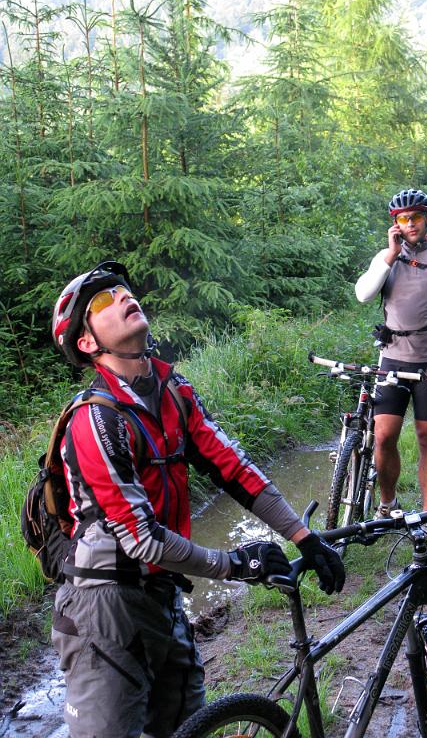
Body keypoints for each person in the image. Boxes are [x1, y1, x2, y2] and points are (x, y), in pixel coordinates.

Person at [50, 260, 345, 738]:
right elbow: (141, 538)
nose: (125, 297)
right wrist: (236, 564)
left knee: (186, 723)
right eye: (104, 301)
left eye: (124, 290)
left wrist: (305, 537)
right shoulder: (95, 421)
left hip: (162, 592)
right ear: (87, 343)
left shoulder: (174, 391)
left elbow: (236, 470)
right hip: (105, 603)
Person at [355, 189, 427, 514]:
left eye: (416, 217)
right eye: (403, 219)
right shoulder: (385, 258)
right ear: (395, 224)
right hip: (392, 358)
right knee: (384, 436)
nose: (410, 224)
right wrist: (390, 255)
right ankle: (388, 504)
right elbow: (363, 294)